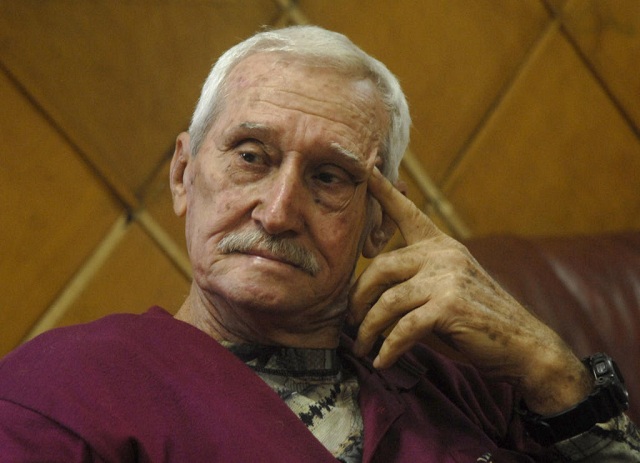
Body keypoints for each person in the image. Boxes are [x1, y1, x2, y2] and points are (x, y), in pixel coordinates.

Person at [0, 25, 637, 462]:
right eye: (251, 156)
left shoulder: (459, 385)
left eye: (329, 176)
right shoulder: (65, 394)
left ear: (379, 221)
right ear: (182, 174)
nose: (278, 212)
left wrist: (549, 368)